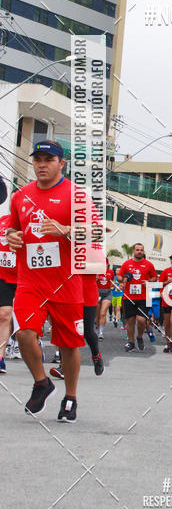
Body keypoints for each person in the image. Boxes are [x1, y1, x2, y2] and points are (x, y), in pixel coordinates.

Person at [5, 140, 89, 421]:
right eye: (37, 159)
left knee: (68, 344)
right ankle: (42, 382)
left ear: (61, 164)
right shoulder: (20, 196)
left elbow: (98, 235)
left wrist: (66, 229)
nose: (41, 164)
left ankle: (70, 397)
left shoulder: (76, 196)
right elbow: (13, 228)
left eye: (48, 159)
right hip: (30, 281)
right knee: (24, 333)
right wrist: (12, 236)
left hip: (66, 283)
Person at [117, 244, 157, 352]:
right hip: (128, 297)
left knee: (141, 319)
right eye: (137, 250)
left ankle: (139, 337)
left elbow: (154, 277)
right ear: (134, 251)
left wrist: (149, 282)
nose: (139, 252)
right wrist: (122, 280)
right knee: (130, 321)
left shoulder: (148, 264)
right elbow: (119, 276)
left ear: (143, 252)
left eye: (141, 250)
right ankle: (131, 343)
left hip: (143, 297)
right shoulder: (127, 264)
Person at [0, 213, 18, 373]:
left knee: (26, 323)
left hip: (27, 277)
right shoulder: (2, 221)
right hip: (3, 276)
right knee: (4, 314)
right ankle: (0, 358)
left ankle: (34, 342)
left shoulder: (32, 222)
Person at [96, 259, 114, 340]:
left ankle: (101, 332)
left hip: (107, 293)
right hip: (97, 293)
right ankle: (98, 327)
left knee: (103, 313)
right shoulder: (97, 271)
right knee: (97, 315)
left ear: (107, 264)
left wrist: (112, 286)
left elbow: (113, 281)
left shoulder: (110, 272)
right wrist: (96, 278)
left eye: (105, 264)